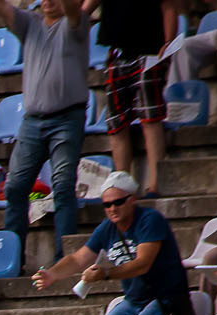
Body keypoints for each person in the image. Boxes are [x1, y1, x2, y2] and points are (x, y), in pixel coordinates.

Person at [31, 171, 189, 315]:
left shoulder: (150, 220)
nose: (112, 209)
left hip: (165, 299)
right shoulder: (107, 228)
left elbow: (143, 263)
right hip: (135, 300)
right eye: (107, 205)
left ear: (132, 199)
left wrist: (106, 274)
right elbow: (79, 259)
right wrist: (52, 274)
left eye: (118, 202)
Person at [0, 0, 91, 266]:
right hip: (32, 120)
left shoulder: (75, 22)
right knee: (14, 187)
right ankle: (11, 259)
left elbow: (72, 8)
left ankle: (64, 259)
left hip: (68, 117)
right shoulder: (29, 24)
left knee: (62, 184)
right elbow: (0, 7)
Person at [95, 0, 169, 198]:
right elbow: (85, 8)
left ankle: (155, 183)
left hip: (149, 48)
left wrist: (167, 42)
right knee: (116, 124)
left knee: (150, 117)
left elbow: (169, 6)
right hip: (117, 52)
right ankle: (122, 188)